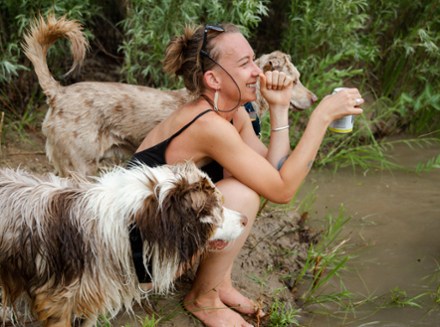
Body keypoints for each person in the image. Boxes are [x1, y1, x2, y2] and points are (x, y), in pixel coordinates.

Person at [128, 23, 364, 327]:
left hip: (163, 234)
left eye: (254, 60)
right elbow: (282, 190)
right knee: (242, 194)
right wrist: (321, 117)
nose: (257, 71)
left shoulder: (231, 112)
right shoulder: (207, 125)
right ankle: (203, 299)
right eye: (244, 64)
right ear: (213, 79)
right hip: (141, 260)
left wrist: (279, 109)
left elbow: (272, 170)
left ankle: (219, 282)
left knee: (246, 185)